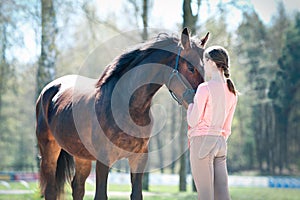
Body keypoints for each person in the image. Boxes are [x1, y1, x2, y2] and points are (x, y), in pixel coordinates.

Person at [183, 45, 238, 200]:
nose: (203, 66)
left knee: (205, 196)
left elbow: (193, 121)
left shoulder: (204, 88)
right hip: (221, 144)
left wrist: (190, 105)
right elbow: (227, 128)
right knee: (222, 196)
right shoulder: (232, 92)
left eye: (205, 62)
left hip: (201, 143)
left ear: (212, 63)